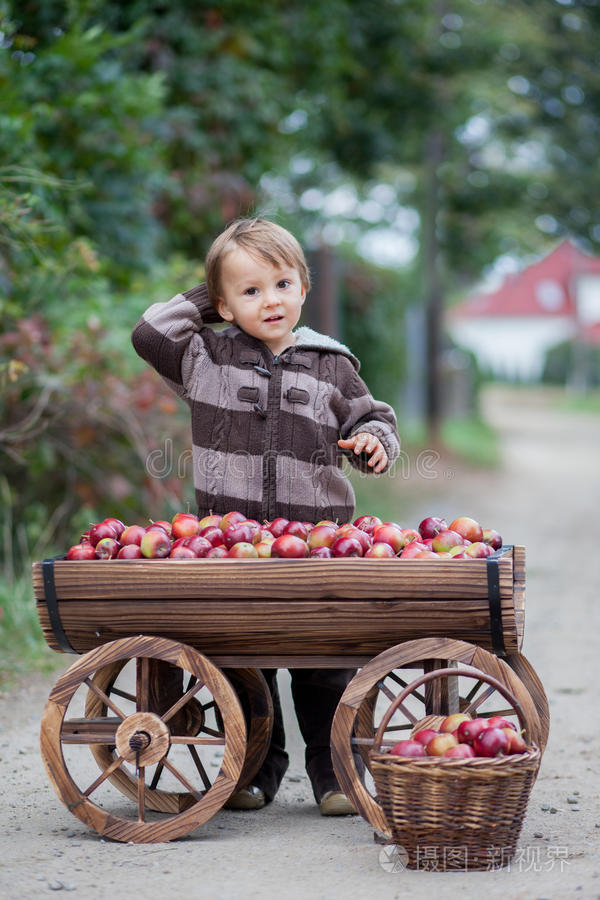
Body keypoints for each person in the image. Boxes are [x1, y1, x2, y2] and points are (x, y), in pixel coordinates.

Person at [132, 217, 400, 815]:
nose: (270, 301)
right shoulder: (205, 357)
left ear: (303, 287)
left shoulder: (332, 366)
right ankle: (254, 773)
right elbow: (150, 331)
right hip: (229, 546)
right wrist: (215, 297)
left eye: (281, 283)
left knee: (324, 661)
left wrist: (377, 442)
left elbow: (371, 418)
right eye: (249, 291)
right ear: (223, 304)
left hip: (319, 543)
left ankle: (335, 777)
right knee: (244, 663)